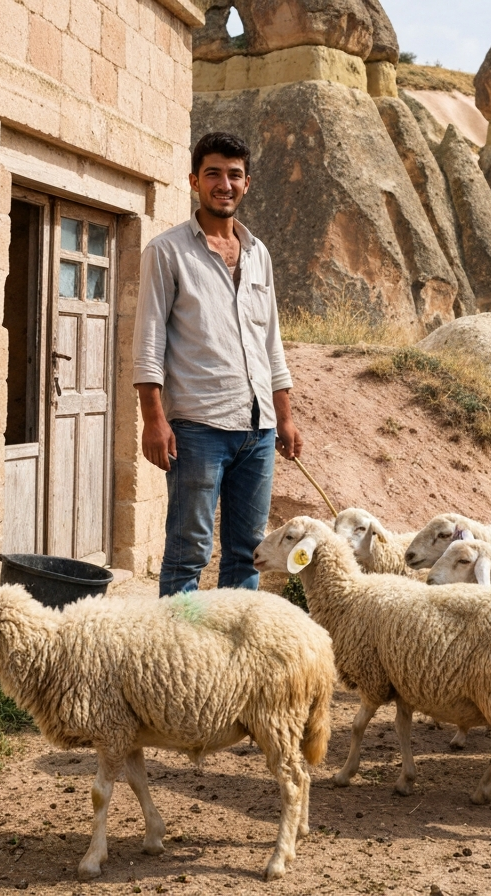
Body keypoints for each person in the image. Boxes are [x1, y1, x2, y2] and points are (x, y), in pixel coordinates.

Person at [132, 131, 303, 596]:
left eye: (234, 175)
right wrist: (153, 421)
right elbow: (149, 340)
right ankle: (179, 640)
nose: (224, 184)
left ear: (247, 183)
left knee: (248, 552)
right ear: (194, 181)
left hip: (259, 431)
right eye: (213, 174)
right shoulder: (166, 251)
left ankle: (232, 640)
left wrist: (284, 417)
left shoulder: (259, 254)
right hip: (198, 428)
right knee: (189, 552)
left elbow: (271, 342)